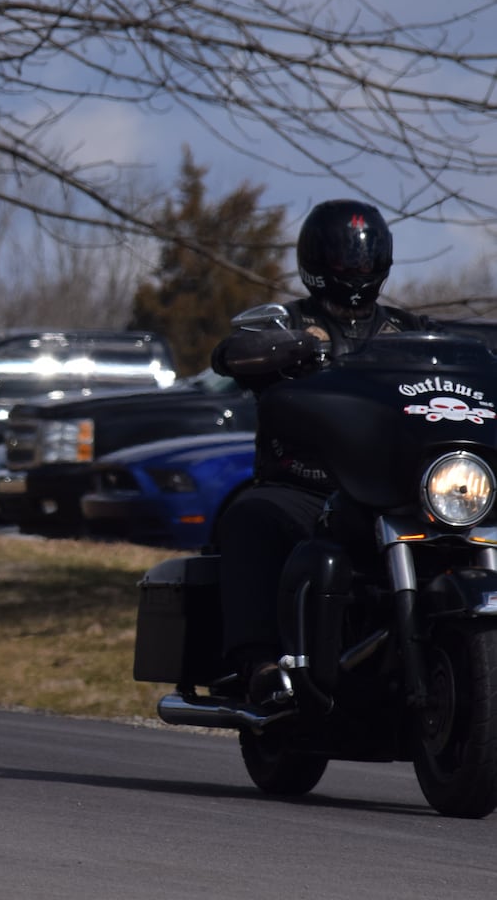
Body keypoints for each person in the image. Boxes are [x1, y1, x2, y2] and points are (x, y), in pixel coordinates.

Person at [209, 199, 436, 705]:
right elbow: (228, 354)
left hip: (395, 492)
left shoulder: (412, 332)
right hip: (306, 487)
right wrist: (283, 348)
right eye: (343, 259)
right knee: (251, 515)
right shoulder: (287, 322)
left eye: (365, 258)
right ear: (315, 262)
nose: (356, 269)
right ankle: (258, 664)